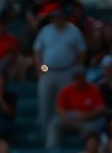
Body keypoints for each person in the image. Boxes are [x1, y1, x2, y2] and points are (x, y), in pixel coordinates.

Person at [33, 8, 87, 138]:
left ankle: (62, 132)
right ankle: (44, 134)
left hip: (66, 71)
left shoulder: (73, 31)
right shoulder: (46, 30)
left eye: (59, 16)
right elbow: (36, 50)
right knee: (44, 104)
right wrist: (40, 66)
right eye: (55, 17)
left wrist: (76, 67)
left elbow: (82, 51)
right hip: (48, 70)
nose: (57, 19)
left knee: (65, 106)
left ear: (64, 17)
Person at [47, 68, 106, 148]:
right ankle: (52, 152)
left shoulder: (93, 89)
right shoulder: (67, 90)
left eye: (80, 77)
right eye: (76, 78)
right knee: (54, 124)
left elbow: (101, 108)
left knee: (91, 128)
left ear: (84, 77)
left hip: (86, 121)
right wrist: (65, 117)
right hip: (69, 119)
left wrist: (86, 115)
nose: (78, 80)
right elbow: (59, 108)